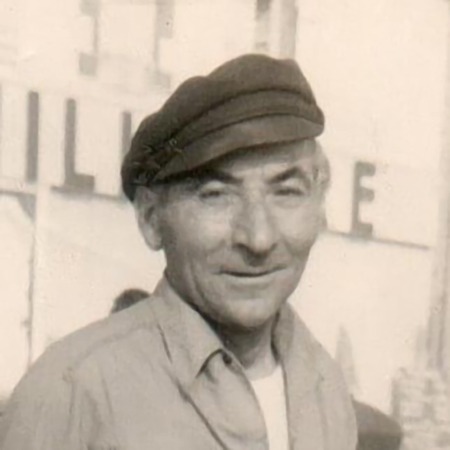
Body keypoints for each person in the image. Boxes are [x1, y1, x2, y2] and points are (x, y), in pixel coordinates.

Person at [0, 54, 357, 450]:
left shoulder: (326, 387)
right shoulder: (73, 390)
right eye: (215, 195)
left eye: (286, 191)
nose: (258, 238)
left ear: (320, 209)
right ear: (151, 218)